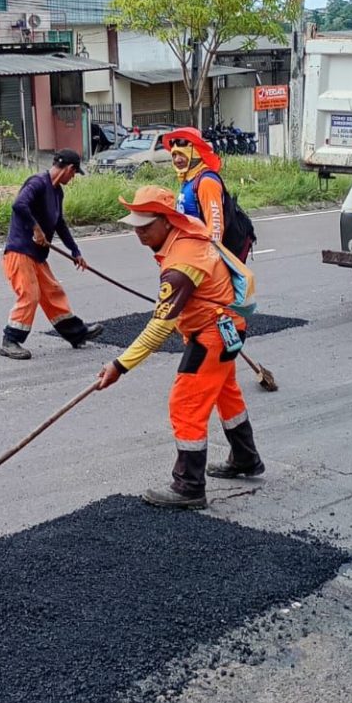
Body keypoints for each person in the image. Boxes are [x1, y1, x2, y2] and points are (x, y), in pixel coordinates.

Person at [96, 185, 265, 510]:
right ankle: (245, 458)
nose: (139, 233)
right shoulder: (186, 237)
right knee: (225, 391)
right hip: (226, 328)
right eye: (135, 226)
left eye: (146, 226)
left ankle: (189, 486)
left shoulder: (182, 262)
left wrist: (119, 366)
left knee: (185, 403)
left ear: (167, 220)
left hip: (212, 335)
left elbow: (160, 326)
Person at [0, 150, 104, 360]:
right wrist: (36, 229)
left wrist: (75, 251)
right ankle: (10, 341)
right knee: (30, 295)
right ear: (69, 169)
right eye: (74, 174)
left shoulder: (57, 192)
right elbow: (19, 205)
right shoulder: (38, 183)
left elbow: (59, 224)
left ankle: (76, 334)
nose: (72, 178)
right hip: (20, 251)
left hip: (37, 255)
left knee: (52, 292)